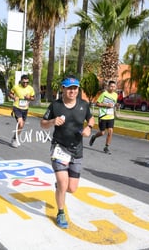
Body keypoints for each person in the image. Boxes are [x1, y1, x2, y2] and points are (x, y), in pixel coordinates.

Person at [40, 75, 95, 229]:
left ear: (78, 89)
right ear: (63, 88)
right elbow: (42, 123)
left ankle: (60, 186)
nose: (72, 91)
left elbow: (91, 119)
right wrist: (52, 121)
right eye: (69, 88)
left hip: (77, 150)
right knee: (64, 184)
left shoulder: (84, 105)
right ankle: (61, 212)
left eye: (75, 88)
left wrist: (89, 128)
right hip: (59, 147)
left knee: (72, 188)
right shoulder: (55, 106)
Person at [89, 80, 118, 154]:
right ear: (108, 86)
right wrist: (106, 105)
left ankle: (106, 147)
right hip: (103, 116)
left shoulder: (115, 95)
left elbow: (113, 104)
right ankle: (94, 137)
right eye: (111, 86)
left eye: (114, 87)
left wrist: (115, 108)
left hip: (111, 116)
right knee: (102, 132)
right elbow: (97, 104)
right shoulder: (104, 94)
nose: (112, 88)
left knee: (110, 131)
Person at [8, 74, 35, 148]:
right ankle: (15, 140)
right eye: (24, 82)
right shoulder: (16, 87)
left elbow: (33, 98)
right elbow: (10, 94)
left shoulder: (30, 88)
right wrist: (14, 97)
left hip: (25, 109)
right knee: (21, 123)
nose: (25, 84)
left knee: (21, 126)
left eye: (27, 82)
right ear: (21, 81)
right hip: (17, 107)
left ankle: (14, 138)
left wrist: (29, 97)